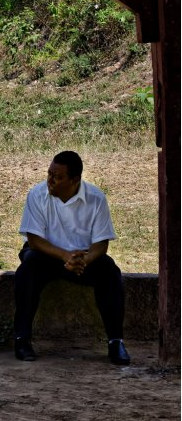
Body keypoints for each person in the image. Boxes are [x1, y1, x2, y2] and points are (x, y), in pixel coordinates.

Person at [13, 150, 130, 365]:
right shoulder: (37, 195)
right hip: (46, 255)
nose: (50, 180)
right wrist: (65, 256)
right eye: (49, 174)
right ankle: (22, 338)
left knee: (110, 272)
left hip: (82, 260)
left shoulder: (96, 198)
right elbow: (34, 239)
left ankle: (115, 341)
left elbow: (101, 244)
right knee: (27, 268)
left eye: (57, 177)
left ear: (75, 180)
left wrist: (83, 260)